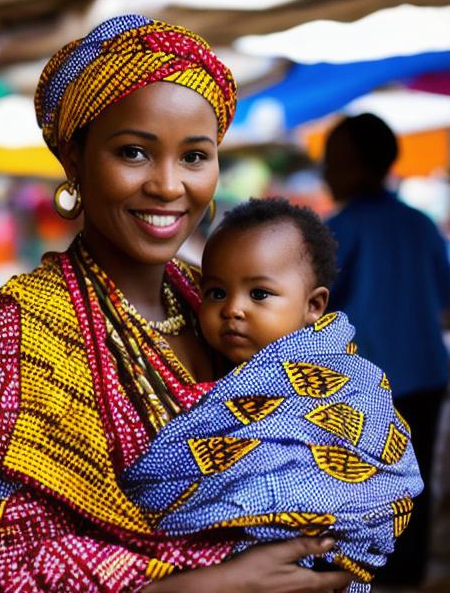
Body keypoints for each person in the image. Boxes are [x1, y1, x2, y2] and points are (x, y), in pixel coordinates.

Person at [0, 14, 353, 591]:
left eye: (194, 156)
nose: (168, 185)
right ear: (75, 162)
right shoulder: (18, 334)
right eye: (134, 153)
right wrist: (211, 584)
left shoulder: (214, 297)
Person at [123, 198, 422, 590]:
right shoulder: (217, 370)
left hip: (314, 554)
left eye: (259, 294)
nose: (233, 309)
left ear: (313, 305)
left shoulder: (340, 377)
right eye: (215, 293)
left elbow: (382, 459)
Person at [323, 112, 450, 586]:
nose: (326, 174)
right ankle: (409, 576)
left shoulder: (335, 231)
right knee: (413, 489)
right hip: (426, 376)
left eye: (333, 162)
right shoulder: (420, 226)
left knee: (366, 491)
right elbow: (444, 299)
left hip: (365, 388)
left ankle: (367, 576)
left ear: (357, 164)